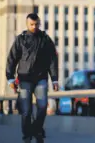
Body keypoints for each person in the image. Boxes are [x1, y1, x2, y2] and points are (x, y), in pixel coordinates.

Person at [6, 13, 59, 143]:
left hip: (41, 78)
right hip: (25, 79)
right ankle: (27, 135)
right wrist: (10, 78)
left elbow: (52, 60)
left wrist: (55, 79)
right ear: (27, 24)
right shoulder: (21, 39)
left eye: (36, 24)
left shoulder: (45, 39)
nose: (34, 26)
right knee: (26, 111)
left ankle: (36, 129)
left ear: (39, 24)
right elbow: (12, 59)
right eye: (31, 24)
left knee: (42, 107)